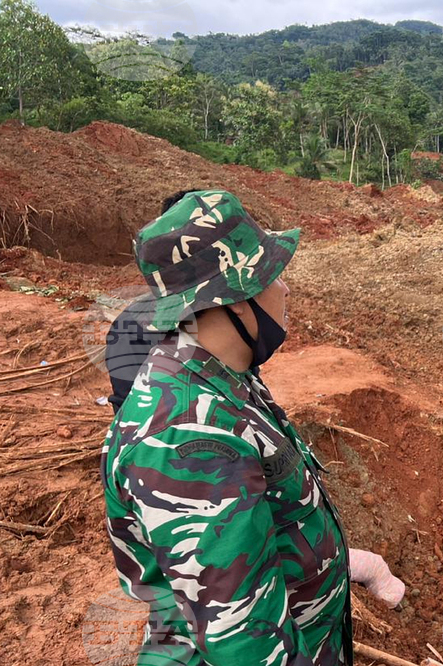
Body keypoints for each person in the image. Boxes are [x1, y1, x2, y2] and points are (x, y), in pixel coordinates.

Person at [101, 190, 404, 666]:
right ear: (235, 301)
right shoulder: (189, 436)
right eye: (271, 276)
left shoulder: (223, 375)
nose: (284, 289)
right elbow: (245, 641)